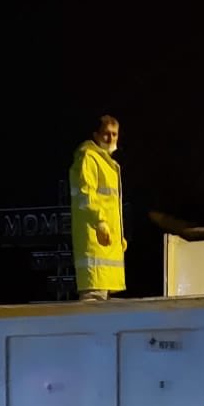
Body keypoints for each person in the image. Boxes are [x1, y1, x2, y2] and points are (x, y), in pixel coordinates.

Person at [69, 115, 126, 301]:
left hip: (106, 247)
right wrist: (100, 222)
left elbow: (110, 206)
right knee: (93, 305)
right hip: (94, 247)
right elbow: (86, 196)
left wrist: (118, 237)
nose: (110, 139)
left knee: (102, 309)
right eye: (106, 134)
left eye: (114, 134)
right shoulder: (89, 158)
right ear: (96, 135)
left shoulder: (107, 164)